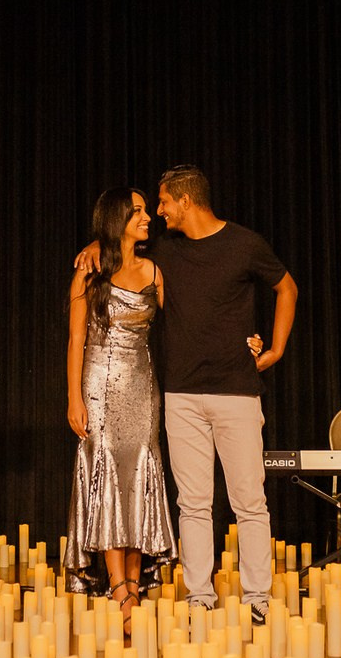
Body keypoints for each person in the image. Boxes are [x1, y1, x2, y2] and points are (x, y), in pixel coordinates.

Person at [77, 164, 297, 624]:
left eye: (162, 202)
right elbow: (118, 249)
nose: (157, 212)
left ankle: (257, 595)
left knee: (249, 500)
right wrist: (96, 244)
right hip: (180, 394)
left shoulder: (244, 244)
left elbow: (286, 288)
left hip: (236, 391)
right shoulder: (163, 252)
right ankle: (200, 594)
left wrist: (275, 349)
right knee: (193, 503)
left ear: (185, 200)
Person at [63, 187, 176, 632]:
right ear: (117, 220)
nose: (147, 217)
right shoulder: (89, 272)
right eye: (138, 211)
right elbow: (76, 339)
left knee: (139, 475)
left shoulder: (154, 271)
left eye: (147, 210)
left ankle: (133, 580)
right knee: (108, 473)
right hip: (99, 385)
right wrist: (74, 397)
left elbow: (185, 323)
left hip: (142, 386)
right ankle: (118, 587)